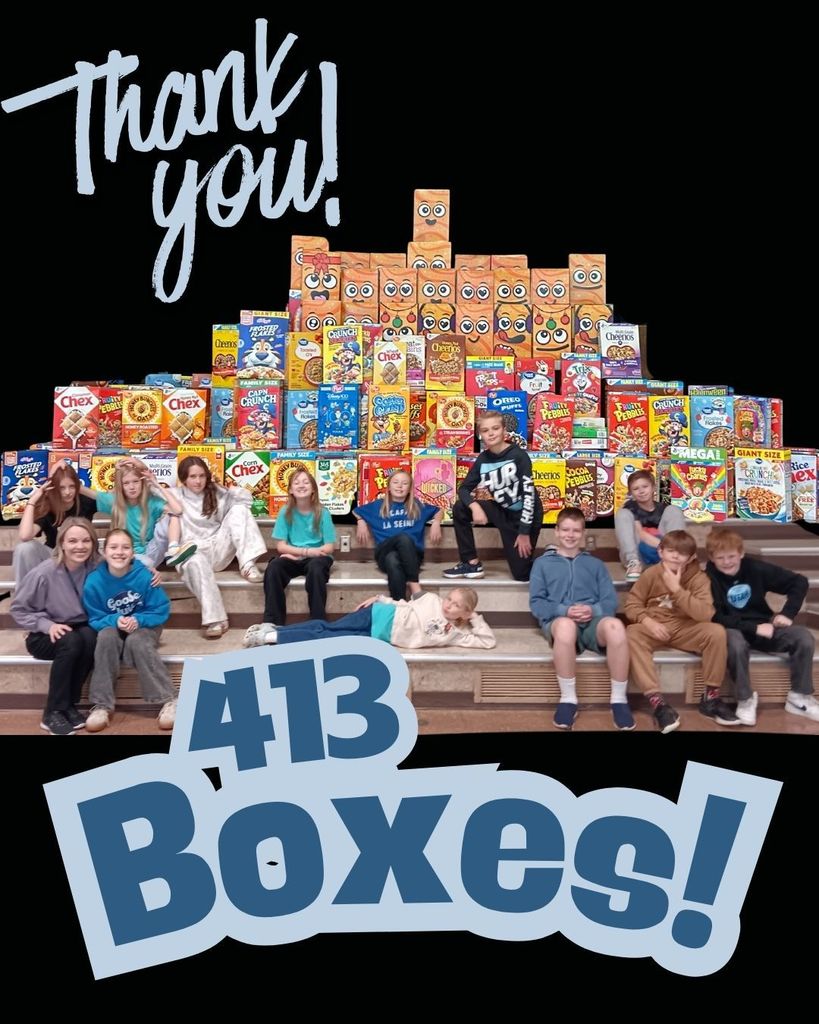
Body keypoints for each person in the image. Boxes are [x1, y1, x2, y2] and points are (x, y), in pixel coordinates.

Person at [529, 507, 633, 731]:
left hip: (592, 622)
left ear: (583, 533)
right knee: (566, 627)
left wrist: (593, 610)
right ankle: (568, 699)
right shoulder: (542, 564)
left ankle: (619, 700)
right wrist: (564, 610)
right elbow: (537, 603)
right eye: (565, 529)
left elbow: (610, 601)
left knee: (616, 626)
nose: (570, 535)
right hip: (559, 621)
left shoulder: (595, 564)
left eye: (576, 530)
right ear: (556, 531)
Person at [624, 529, 737, 732]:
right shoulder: (651, 574)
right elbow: (632, 604)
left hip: (685, 628)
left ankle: (711, 698)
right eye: (670, 551)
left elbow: (705, 614)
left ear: (691, 557)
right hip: (655, 627)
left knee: (716, 632)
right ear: (660, 552)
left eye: (682, 553)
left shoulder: (699, 579)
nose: (675, 556)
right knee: (632, 633)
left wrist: (677, 590)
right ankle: (658, 703)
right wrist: (648, 622)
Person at [705, 526, 817, 725]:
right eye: (720, 558)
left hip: (764, 628)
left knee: (803, 637)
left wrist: (787, 613)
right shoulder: (707, 577)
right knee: (733, 641)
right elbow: (715, 616)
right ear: (712, 558)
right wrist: (754, 628)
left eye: (731, 556)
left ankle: (799, 697)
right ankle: (745, 699)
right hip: (734, 630)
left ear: (741, 553)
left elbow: (799, 582)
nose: (727, 562)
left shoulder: (754, 568)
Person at [10, 517, 99, 735]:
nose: (80, 546)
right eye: (73, 541)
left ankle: (69, 705)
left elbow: (125, 564)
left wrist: (149, 572)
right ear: (62, 543)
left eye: (86, 540)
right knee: (71, 641)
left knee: (90, 638)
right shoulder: (44, 572)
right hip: (44, 634)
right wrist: (47, 625)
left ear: (93, 543)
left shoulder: (97, 566)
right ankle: (52, 712)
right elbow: (19, 609)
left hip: (78, 628)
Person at [82, 529, 177, 733]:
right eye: (113, 547)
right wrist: (116, 620)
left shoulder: (145, 576)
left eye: (125, 547)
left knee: (137, 641)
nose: (119, 552)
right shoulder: (94, 581)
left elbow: (160, 610)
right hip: (112, 627)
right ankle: (102, 705)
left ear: (133, 552)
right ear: (104, 552)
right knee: (106, 636)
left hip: (146, 625)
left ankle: (168, 699)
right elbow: (95, 618)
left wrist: (138, 619)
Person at [171, 456, 267, 639]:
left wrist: (223, 487)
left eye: (202, 476)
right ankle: (216, 620)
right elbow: (150, 489)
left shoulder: (215, 492)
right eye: (193, 477)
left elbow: (247, 502)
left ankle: (247, 564)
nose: (198, 481)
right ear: (183, 478)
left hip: (217, 549)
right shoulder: (175, 495)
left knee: (239, 510)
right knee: (195, 561)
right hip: (192, 552)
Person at [444, 410, 541, 581]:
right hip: (502, 510)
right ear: (480, 435)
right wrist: (475, 507)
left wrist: (524, 532)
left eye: (495, 428)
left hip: (525, 516)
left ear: (504, 430)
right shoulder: (483, 459)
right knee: (460, 507)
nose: (491, 433)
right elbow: (464, 489)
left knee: (521, 574)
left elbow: (529, 495)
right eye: (485, 430)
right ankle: (471, 562)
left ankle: (552, 556)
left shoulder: (519, 456)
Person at [243, 587, 495, 650]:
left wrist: (475, 618)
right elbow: (403, 604)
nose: (448, 605)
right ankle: (270, 636)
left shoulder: (456, 634)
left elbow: (487, 641)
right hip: (378, 614)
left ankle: (274, 631)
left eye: (456, 605)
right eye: (449, 599)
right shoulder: (431, 599)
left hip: (378, 635)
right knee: (326, 630)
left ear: (465, 612)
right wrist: (379, 598)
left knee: (327, 637)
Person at [78, 457, 196, 571]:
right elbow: (83, 490)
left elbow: (177, 510)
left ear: (142, 482)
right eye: (126, 483)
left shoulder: (151, 502)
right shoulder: (114, 501)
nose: (132, 487)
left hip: (151, 551)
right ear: (121, 486)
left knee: (172, 515)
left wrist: (155, 483)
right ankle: (140, 569)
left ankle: (173, 549)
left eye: (136, 482)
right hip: (125, 554)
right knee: (143, 564)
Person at [256, 469, 336, 633]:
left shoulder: (323, 513)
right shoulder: (285, 512)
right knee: (274, 568)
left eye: (306, 482)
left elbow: (329, 547)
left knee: (316, 569)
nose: (301, 485)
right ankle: (272, 621)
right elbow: (281, 546)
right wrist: (303, 553)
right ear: (291, 490)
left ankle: (318, 621)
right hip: (294, 557)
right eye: (296, 482)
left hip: (317, 557)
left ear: (313, 489)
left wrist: (308, 553)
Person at [354, 470, 443, 599]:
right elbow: (356, 511)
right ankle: (414, 585)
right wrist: (361, 521)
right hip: (384, 552)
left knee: (393, 559)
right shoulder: (378, 506)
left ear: (410, 489)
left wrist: (437, 522)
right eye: (395, 482)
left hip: (413, 557)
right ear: (389, 487)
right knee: (403, 538)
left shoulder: (417, 506)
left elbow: (438, 510)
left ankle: (399, 604)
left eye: (404, 483)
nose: (400, 486)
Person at [14, 461, 97, 583]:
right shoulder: (47, 504)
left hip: (81, 554)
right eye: (62, 487)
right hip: (54, 556)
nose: (67, 492)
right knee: (24, 548)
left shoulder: (85, 501)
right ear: (54, 487)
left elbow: (113, 503)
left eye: (72, 486)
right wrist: (32, 500)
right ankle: (26, 593)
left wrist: (81, 488)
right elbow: (25, 536)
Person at [615, 469, 685, 580]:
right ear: (631, 493)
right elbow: (641, 535)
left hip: (666, 557)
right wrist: (664, 547)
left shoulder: (664, 509)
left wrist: (668, 551)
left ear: (653, 488)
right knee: (622, 513)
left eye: (645, 486)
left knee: (674, 510)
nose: (641, 491)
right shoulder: (630, 508)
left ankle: (675, 559)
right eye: (636, 489)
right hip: (639, 556)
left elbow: (644, 534)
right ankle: (633, 563)